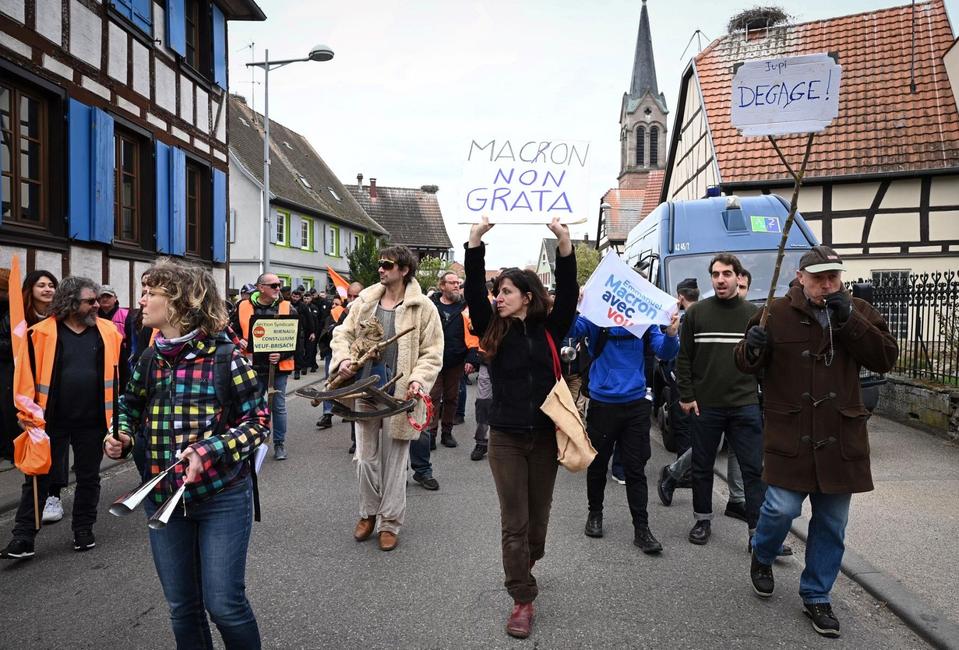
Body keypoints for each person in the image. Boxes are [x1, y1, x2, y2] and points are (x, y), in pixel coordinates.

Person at [106, 258, 269, 648]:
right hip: (161, 497)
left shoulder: (227, 357)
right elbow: (129, 405)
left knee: (224, 604)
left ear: (180, 300)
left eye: (151, 292)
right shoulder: (149, 358)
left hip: (222, 496)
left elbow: (259, 423)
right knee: (183, 607)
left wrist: (208, 450)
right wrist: (122, 436)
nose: (141, 300)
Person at [736, 246, 898, 638]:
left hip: (840, 439)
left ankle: (816, 594)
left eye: (834, 278)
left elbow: (886, 358)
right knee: (780, 508)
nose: (828, 285)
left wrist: (850, 323)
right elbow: (743, 363)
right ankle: (762, 552)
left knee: (832, 522)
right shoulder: (775, 311)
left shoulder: (857, 310)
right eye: (820, 278)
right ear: (801, 277)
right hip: (790, 434)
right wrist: (753, 345)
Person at [464, 216, 577, 640]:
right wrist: (476, 243)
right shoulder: (492, 326)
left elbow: (567, 292)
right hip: (507, 438)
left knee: (538, 524)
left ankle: (525, 564)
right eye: (497, 292)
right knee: (514, 522)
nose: (498, 298)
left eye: (506, 292)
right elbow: (475, 289)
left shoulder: (551, 328)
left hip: (546, 437)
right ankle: (522, 598)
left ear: (527, 297)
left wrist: (564, 243)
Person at [0, 276, 122, 560]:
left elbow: (118, 376)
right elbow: (25, 378)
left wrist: (119, 417)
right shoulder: (40, 333)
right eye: (89, 301)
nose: (96, 306)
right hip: (49, 421)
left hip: (93, 420)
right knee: (37, 476)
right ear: (70, 303)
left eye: (96, 301)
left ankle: (83, 529)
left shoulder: (108, 331)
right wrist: (25, 413)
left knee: (89, 478)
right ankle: (23, 537)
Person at [330, 246, 442, 552]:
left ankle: (390, 522)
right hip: (365, 390)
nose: (381, 269)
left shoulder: (423, 308)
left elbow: (432, 353)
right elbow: (342, 334)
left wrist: (418, 380)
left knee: (396, 463)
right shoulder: (366, 301)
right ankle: (368, 512)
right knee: (365, 459)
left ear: (404, 269)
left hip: (401, 395)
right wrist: (342, 360)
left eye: (387, 264)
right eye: (380, 264)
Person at [676, 254, 767, 548]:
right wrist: (687, 396)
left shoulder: (753, 315)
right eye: (715, 274)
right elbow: (684, 358)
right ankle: (702, 520)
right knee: (702, 467)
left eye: (726, 274)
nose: (720, 279)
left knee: (753, 470)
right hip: (707, 404)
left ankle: (758, 532)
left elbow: (763, 362)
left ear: (739, 277)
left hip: (744, 404)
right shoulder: (697, 314)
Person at [572, 309, 680, 554]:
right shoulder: (594, 315)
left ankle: (642, 529)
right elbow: (569, 331)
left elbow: (664, 352)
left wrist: (672, 334)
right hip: (602, 403)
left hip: (635, 403)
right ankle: (595, 514)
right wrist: (574, 304)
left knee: (635, 469)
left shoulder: (644, 316)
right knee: (598, 464)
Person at [230, 273, 298, 460]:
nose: (278, 289)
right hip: (251, 366)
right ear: (261, 288)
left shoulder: (287, 307)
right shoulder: (243, 307)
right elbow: (231, 331)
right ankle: (253, 443)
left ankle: (279, 443)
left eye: (279, 285)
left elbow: (296, 339)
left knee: (278, 405)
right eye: (274, 285)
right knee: (253, 407)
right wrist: (238, 343)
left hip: (278, 368)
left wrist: (282, 354)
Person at [0, 268, 17, 471]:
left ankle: (12, 451)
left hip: (9, 369)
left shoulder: (13, 312)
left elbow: (15, 344)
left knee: (8, 410)